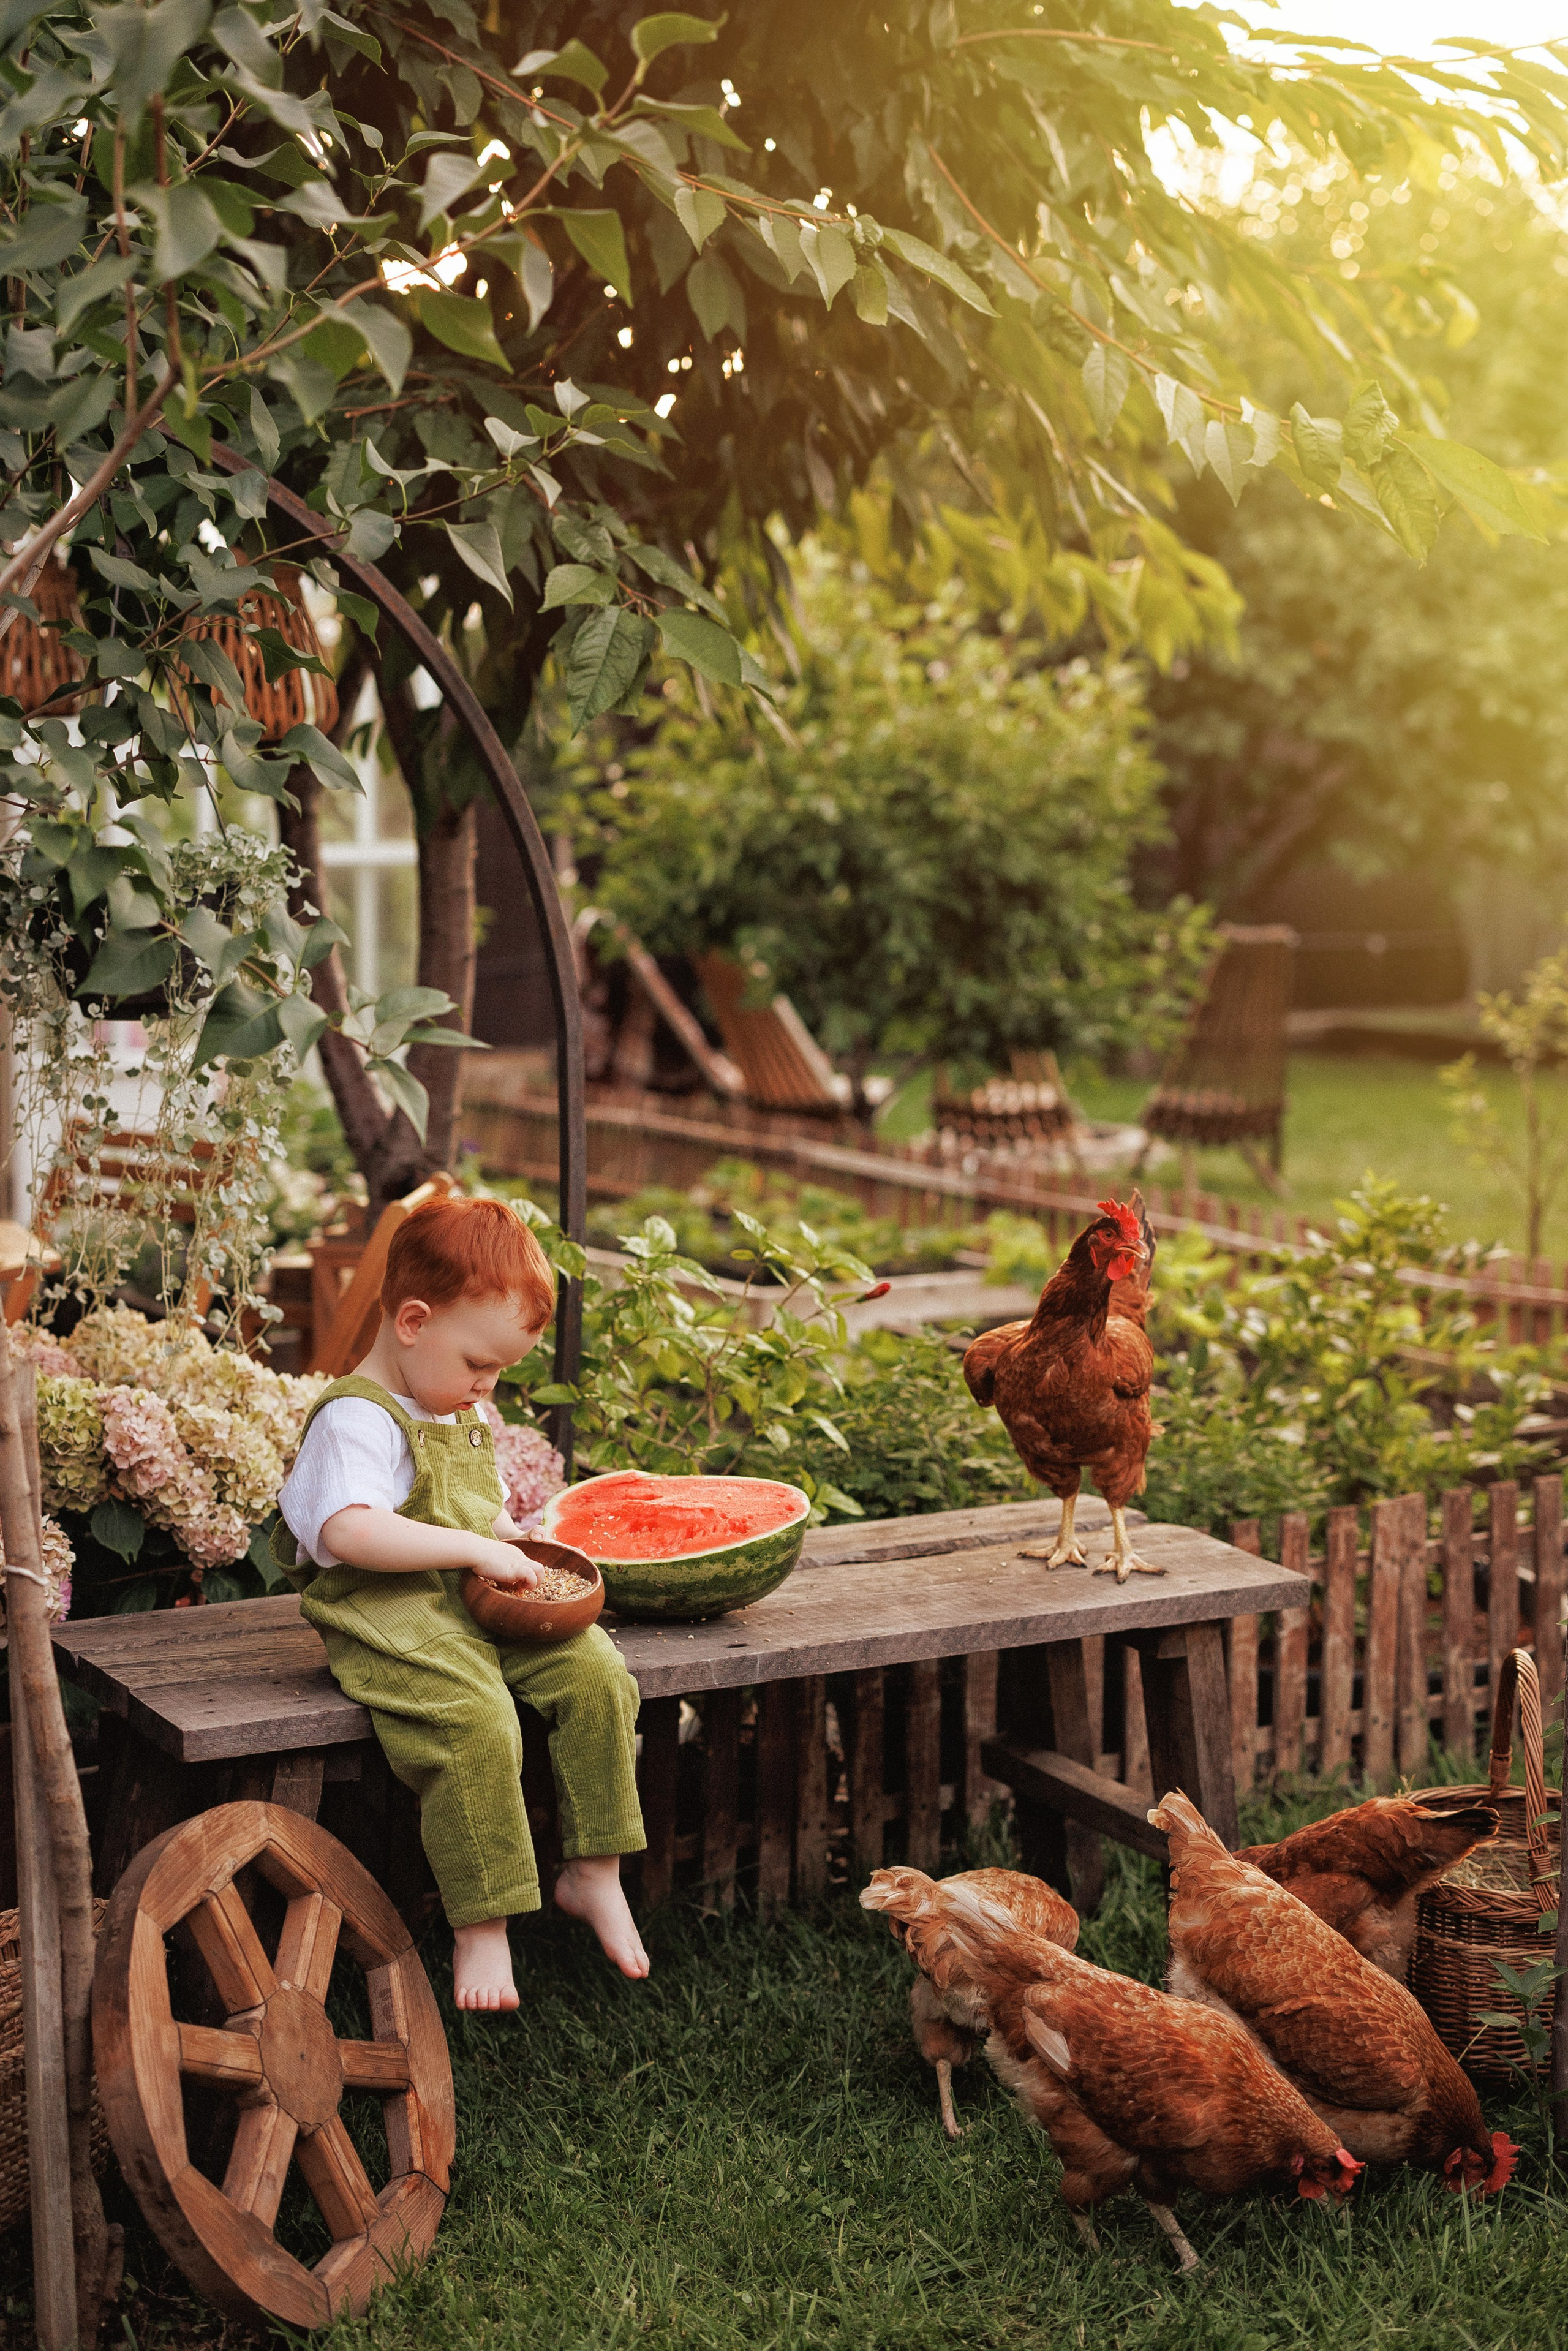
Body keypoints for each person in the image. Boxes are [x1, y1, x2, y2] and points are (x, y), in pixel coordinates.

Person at [274, 1194, 647, 2012]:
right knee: (478, 1717)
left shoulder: (449, 1394)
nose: (488, 1385)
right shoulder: (354, 1419)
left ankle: (595, 1869)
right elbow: (351, 1532)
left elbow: (468, 1503)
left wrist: (512, 1531)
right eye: (480, 1364)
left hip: (470, 1595)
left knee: (596, 1674)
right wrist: (480, 1549)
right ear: (413, 1320)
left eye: (500, 1371)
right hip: (386, 1611)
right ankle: (482, 1922)